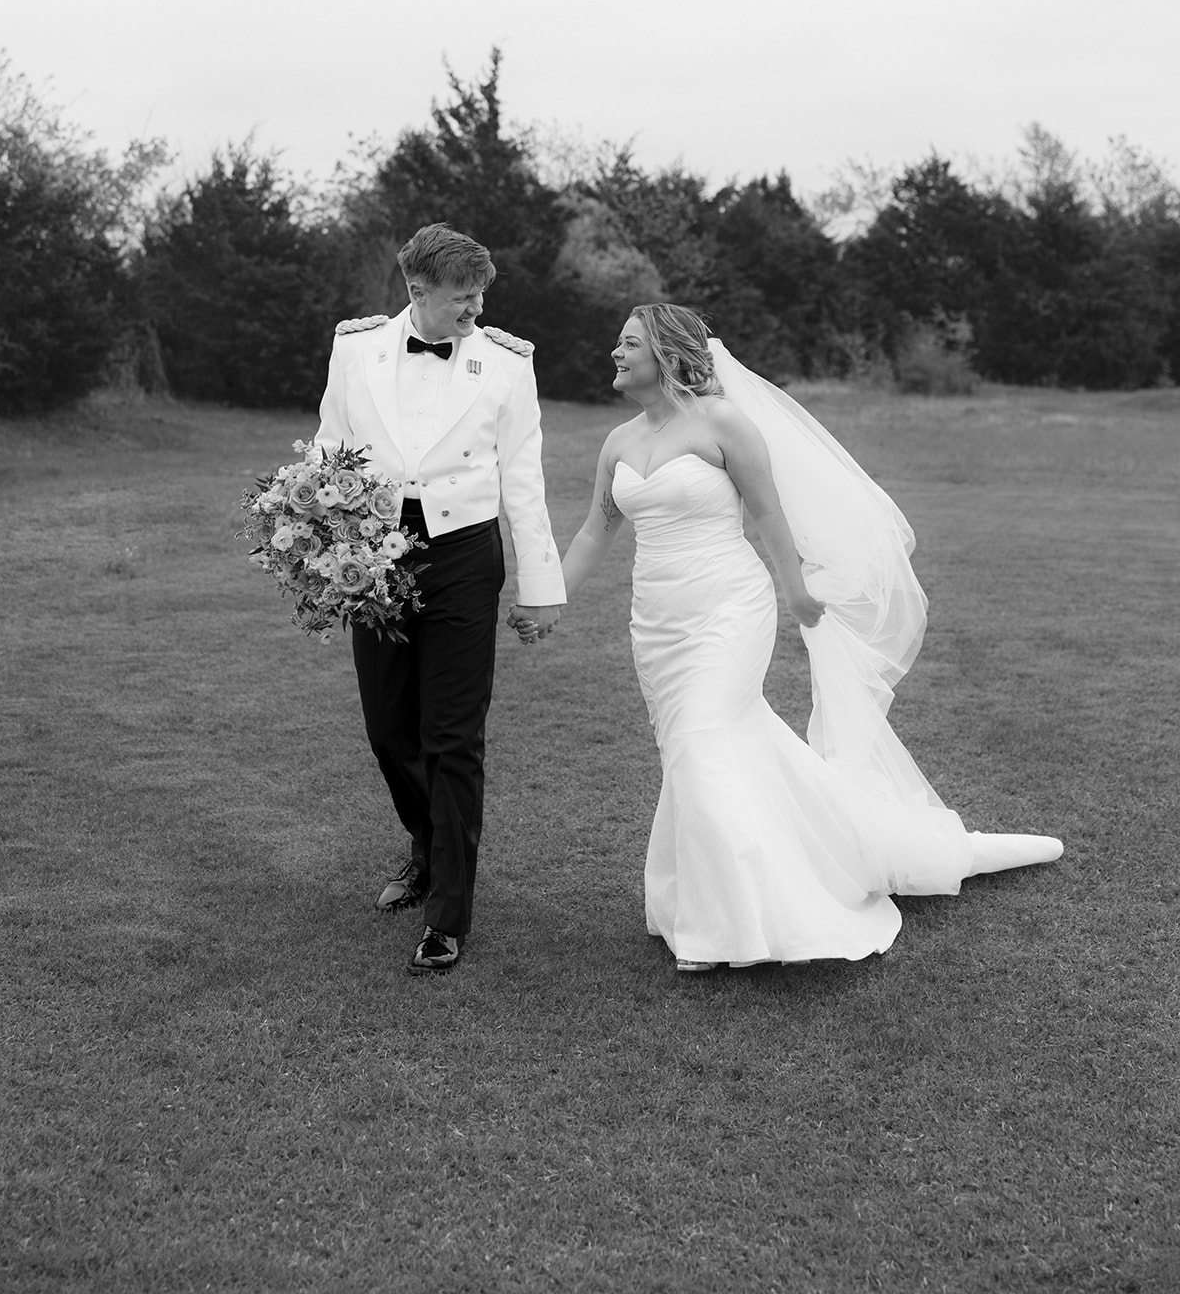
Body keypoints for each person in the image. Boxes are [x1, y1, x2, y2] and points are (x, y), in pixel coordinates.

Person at [554, 303, 1062, 973]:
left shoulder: (725, 423)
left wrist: (795, 591)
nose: (614, 354)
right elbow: (597, 529)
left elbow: (768, 513)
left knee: (702, 742)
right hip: (656, 625)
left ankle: (724, 927)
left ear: (669, 356)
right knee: (702, 750)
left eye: (627, 344)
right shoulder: (619, 441)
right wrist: (549, 596)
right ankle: (840, 848)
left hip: (729, 612)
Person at [316, 223, 565, 975]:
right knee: (390, 730)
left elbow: (523, 478)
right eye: (464, 296)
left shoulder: (508, 363)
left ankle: (448, 912)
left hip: (463, 554)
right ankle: (427, 846)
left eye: (482, 294)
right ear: (416, 292)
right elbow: (331, 449)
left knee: (452, 736)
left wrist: (540, 587)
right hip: (374, 554)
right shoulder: (355, 348)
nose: (477, 308)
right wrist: (327, 554)